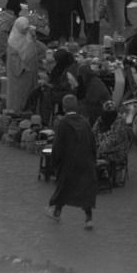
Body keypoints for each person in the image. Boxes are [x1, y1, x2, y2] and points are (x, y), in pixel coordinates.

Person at [46, 94, 98, 229]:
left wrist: (54, 163)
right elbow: (93, 143)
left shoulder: (62, 124)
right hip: (85, 162)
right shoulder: (85, 123)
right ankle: (89, 219)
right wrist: (93, 160)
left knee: (63, 187)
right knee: (86, 190)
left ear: (64, 107)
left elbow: (57, 146)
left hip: (68, 163)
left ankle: (57, 213)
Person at [5, 16, 40, 113]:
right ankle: (16, 113)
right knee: (18, 96)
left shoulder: (28, 34)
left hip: (30, 72)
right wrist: (24, 67)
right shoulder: (13, 42)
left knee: (30, 94)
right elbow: (13, 60)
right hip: (20, 75)